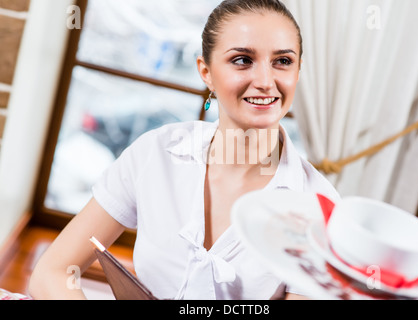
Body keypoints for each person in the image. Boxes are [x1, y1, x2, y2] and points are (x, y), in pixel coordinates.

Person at [29, 0, 339, 300]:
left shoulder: (320, 209)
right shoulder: (156, 153)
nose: (265, 81)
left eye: (283, 61)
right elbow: (53, 272)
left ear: (298, 72)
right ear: (206, 72)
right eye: (242, 60)